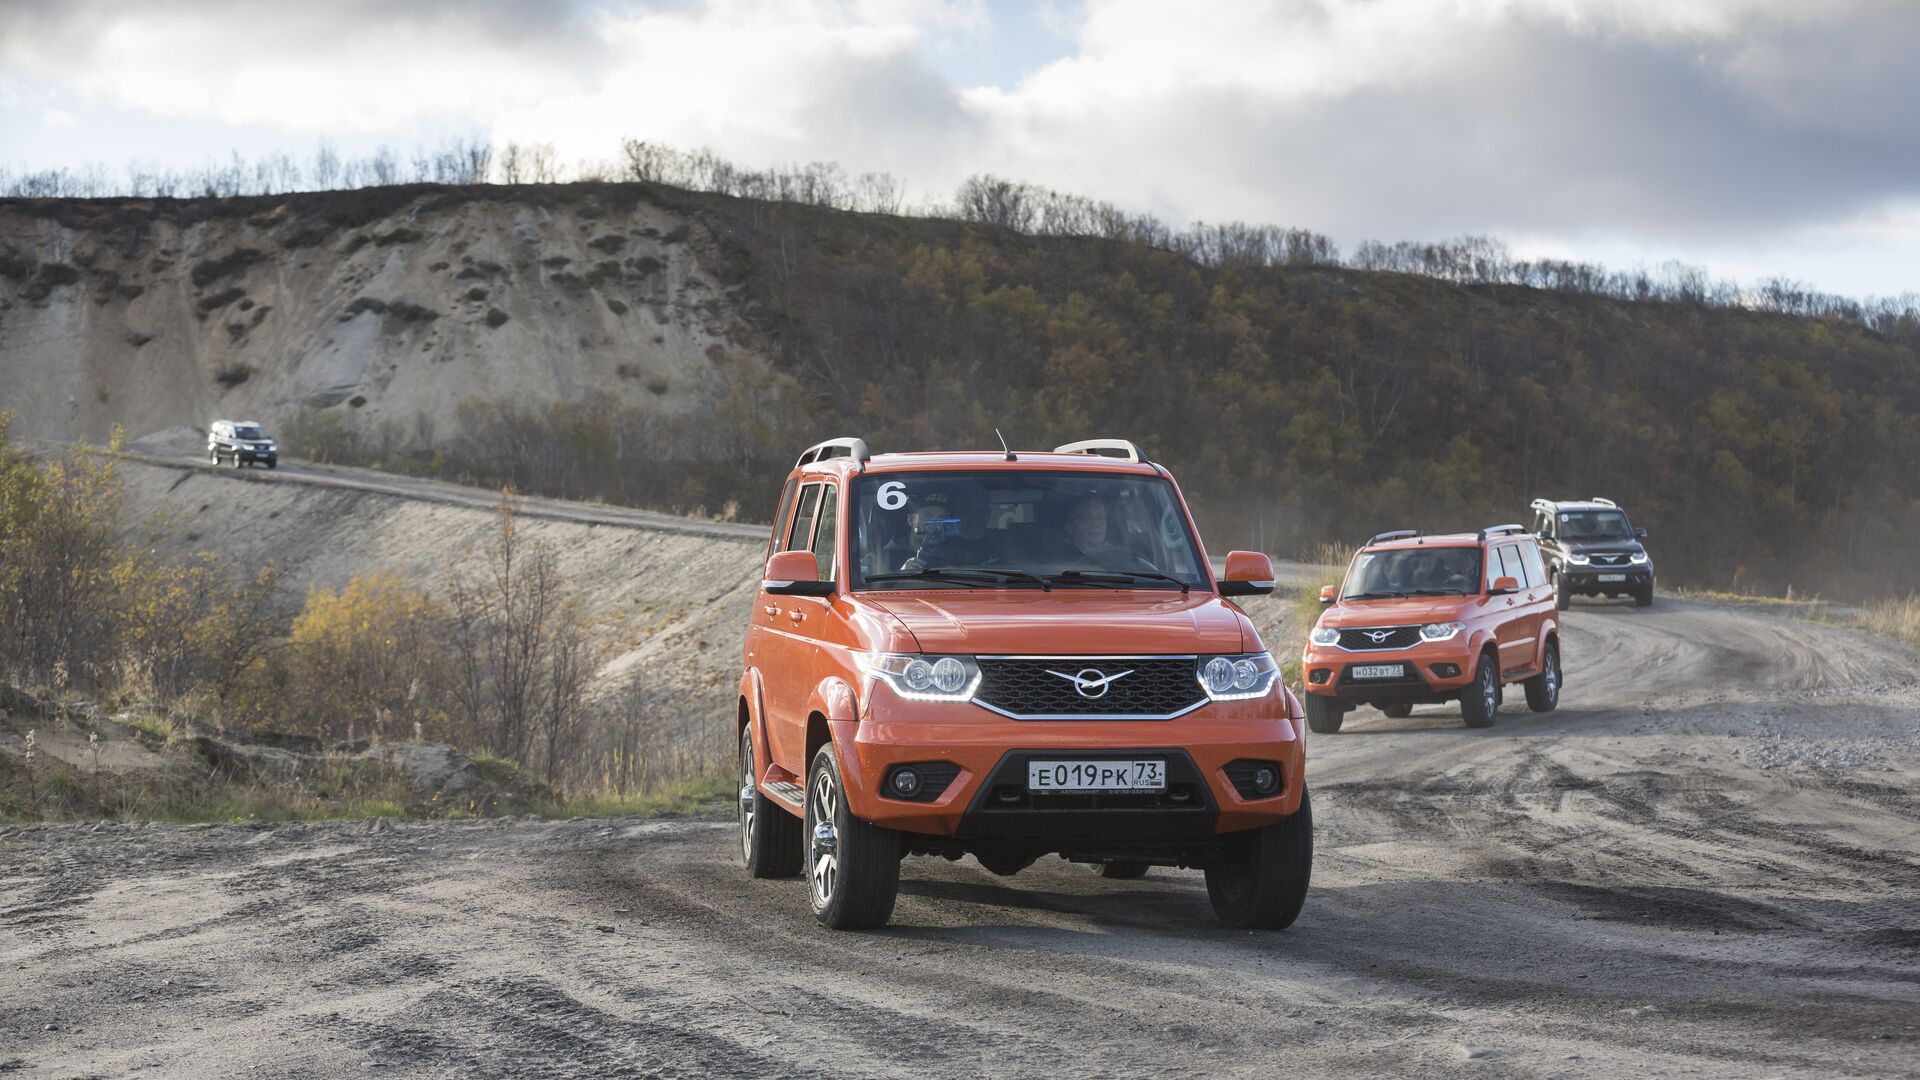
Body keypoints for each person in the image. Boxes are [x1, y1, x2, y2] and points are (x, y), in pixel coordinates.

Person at [1058, 496, 1149, 571]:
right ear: (1069, 526)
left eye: (1100, 518)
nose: (1095, 524)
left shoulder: (1123, 556)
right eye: (1085, 518)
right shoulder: (1057, 559)